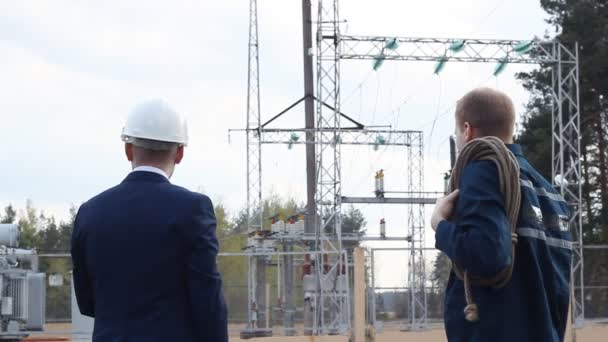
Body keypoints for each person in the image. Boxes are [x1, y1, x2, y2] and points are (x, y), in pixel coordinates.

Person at [71, 100, 228, 342]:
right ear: (179, 153)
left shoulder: (90, 212)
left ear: (128, 149)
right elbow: (207, 301)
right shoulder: (193, 209)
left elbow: (87, 301)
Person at [431, 88, 572, 341]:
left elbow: (486, 254)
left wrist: (440, 225)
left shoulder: (484, 170)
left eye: (457, 133)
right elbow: (559, 286)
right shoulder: (551, 194)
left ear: (466, 130)